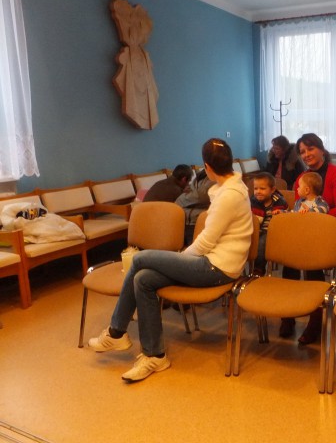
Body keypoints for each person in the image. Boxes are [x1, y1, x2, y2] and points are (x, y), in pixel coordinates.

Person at [87, 138, 253, 382]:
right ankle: (155, 355)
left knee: (140, 259)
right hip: (210, 261)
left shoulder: (230, 195)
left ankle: (116, 332)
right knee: (143, 280)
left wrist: (179, 260)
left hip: (218, 267)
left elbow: (205, 242)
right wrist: (178, 262)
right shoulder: (228, 189)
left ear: (207, 167)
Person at [279, 133, 336, 345]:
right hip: (312, 232)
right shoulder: (302, 179)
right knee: (289, 258)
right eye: (302, 152)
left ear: (321, 149)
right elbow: (299, 208)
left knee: (312, 257)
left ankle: (315, 320)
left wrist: (315, 218)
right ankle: (287, 315)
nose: (306, 155)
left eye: (310, 149)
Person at [250, 172, 289, 274]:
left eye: (262, 189)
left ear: (272, 190)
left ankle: (258, 269)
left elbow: (287, 216)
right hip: (254, 229)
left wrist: (280, 213)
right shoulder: (252, 201)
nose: (258, 192)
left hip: (272, 231)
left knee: (262, 242)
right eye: (255, 188)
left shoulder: (279, 201)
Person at [175, 168, 215, 245]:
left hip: (201, 222)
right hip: (186, 221)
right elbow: (190, 190)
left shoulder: (216, 176)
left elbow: (201, 196)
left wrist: (180, 199)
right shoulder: (201, 175)